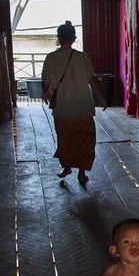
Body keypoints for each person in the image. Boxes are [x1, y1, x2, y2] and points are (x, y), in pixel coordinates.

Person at [41, 20, 107, 186]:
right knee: (84, 141)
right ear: (74, 38)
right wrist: (101, 97)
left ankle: (67, 167)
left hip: (62, 109)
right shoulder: (83, 57)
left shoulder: (50, 58)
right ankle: (82, 173)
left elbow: (46, 82)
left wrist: (45, 93)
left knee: (65, 139)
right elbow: (91, 80)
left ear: (58, 38)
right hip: (83, 108)